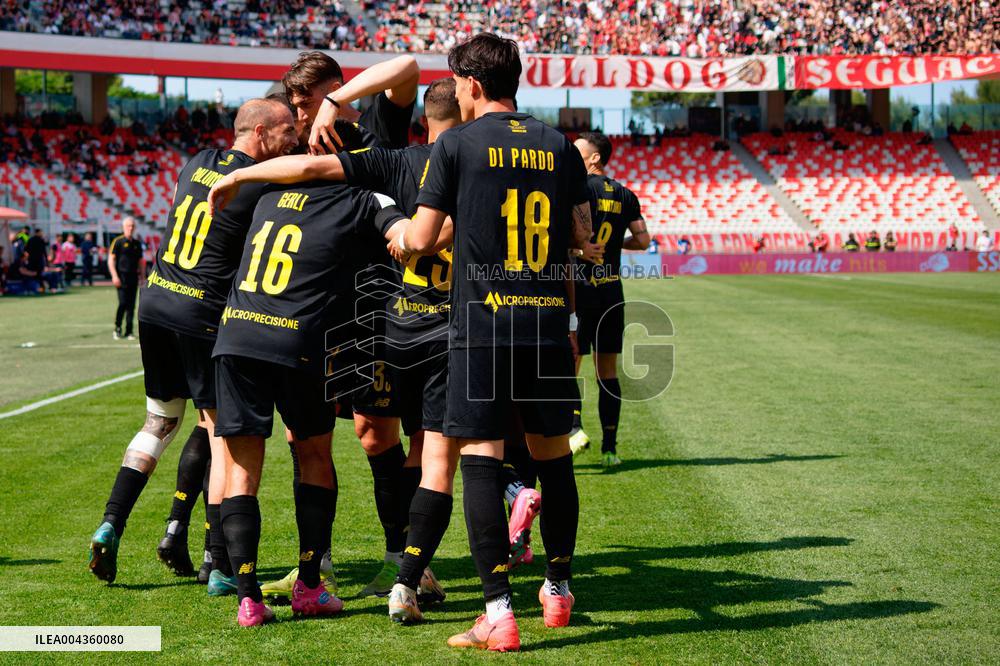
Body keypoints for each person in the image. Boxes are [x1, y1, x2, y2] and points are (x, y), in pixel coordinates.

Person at [392, 33, 590, 650]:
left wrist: (403, 234)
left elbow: (423, 238)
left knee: (480, 458)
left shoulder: (454, 144)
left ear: (472, 85)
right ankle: (557, 590)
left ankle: (498, 613)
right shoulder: (560, 145)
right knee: (553, 458)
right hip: (547, 322)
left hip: (482, 326)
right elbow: (586, 240)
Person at [87, 99, 299, 589]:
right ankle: (218, 561)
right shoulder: (259, 184)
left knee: (160, 422)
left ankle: (111, 523)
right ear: (262, 133)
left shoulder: (197, 161)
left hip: (156, 300)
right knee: (220, 431)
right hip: (201, 311)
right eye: (287, 131)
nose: (293, 140)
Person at [212, 172, 410, 627]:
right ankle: (310, 586)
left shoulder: (268, 194)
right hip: (298, 341)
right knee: (315, 455)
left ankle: (248, 599)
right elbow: (407, 237)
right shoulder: (363, 198)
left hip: (236, 334)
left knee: (242, 471)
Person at [280, 49, 428, 598]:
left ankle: (404, 558)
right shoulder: (302, 146)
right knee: (305, 437)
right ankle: (316, 564)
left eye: (305, 102)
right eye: (294, 105)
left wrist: (336, 104)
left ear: (334, 90)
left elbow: (409, 66)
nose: (300, 114)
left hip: (381, 311)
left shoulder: (376, 127)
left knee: (374, 433)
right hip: (319, 312)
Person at [568, 132, 649, 467]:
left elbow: (563, 238)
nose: (572, 153)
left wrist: (577, 249)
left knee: (570, 364)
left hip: (580, 291)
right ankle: (610, 449)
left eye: (578, 150)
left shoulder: (576, 188)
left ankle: (574, 430)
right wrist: (617, 247)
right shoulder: (626, 194)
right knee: (608, 371)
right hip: (612, 293)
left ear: (595, 158)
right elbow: (643, 241)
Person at [108, 218, 145, 339]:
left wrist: (142, 277)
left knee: (132, 305)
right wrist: (114, 276)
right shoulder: (118, 241)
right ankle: (117, 328)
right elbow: (111, 260)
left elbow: (141, 261)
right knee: (123, 303)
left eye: (133, 226)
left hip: (133, 277)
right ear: (124, 227)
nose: (131, 228)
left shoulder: (137, 243)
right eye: (128, 226)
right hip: (121, 277)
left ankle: (129, 331)